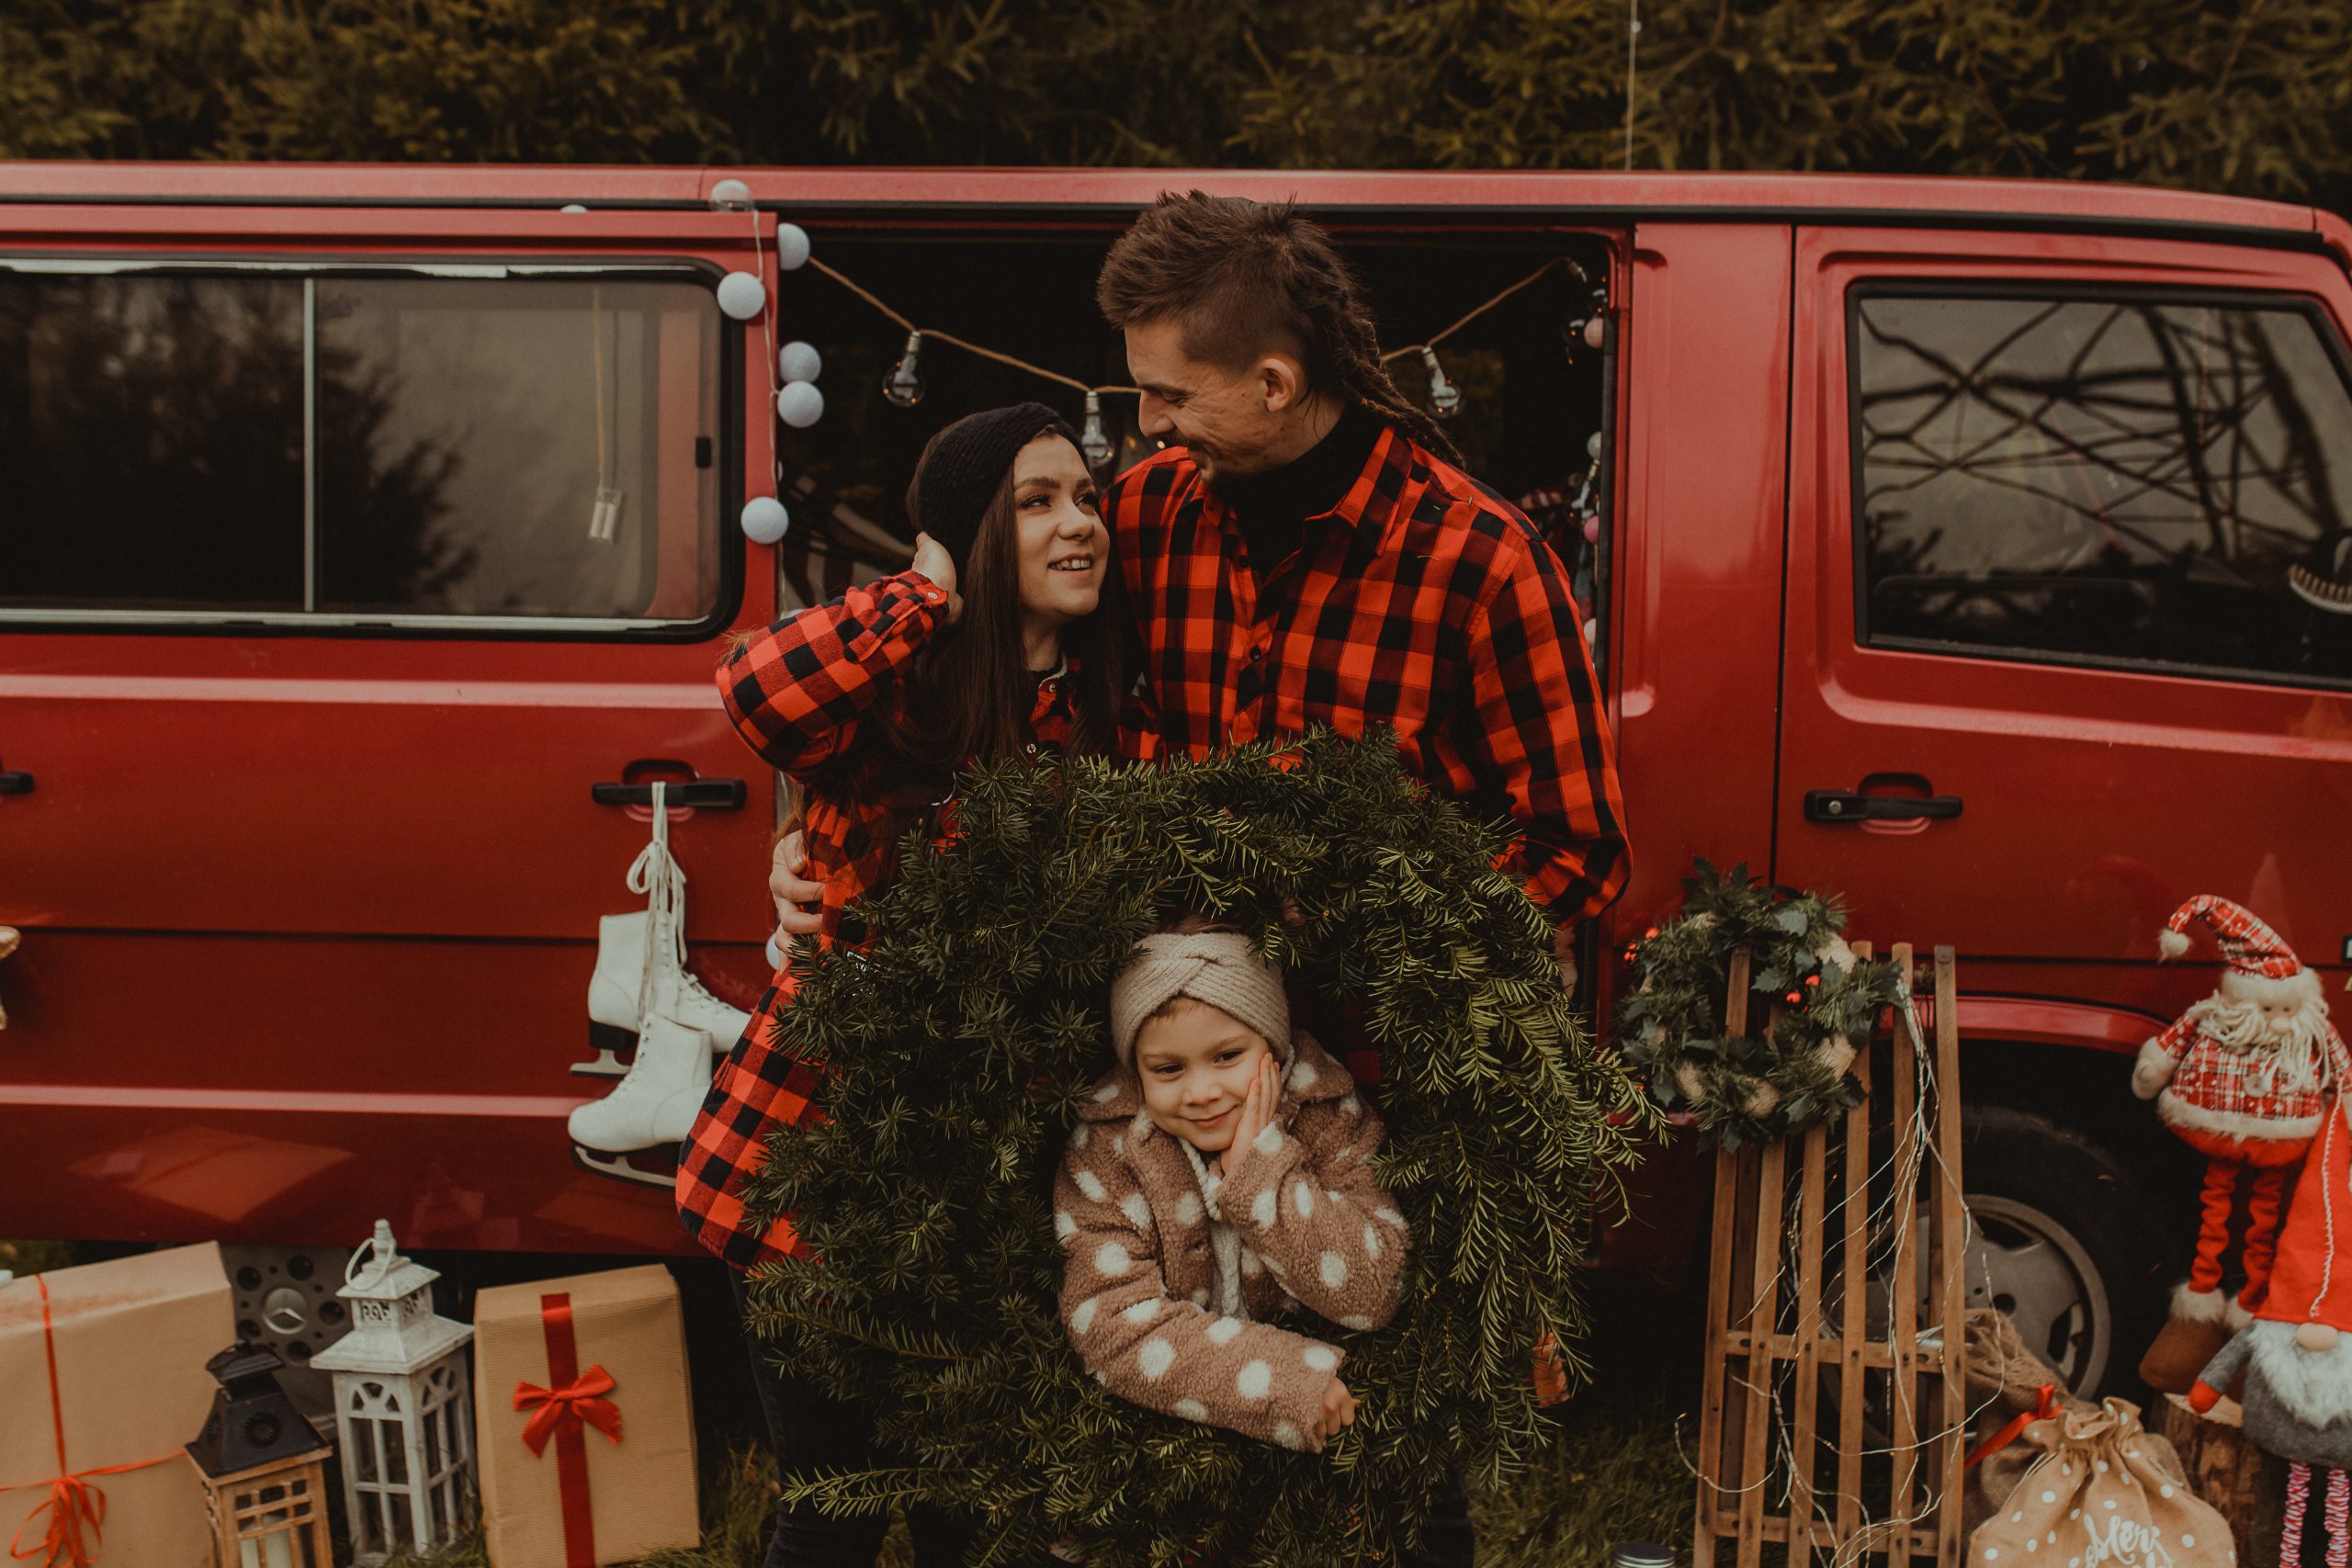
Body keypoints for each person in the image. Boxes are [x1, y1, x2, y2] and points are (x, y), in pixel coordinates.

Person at [770, 192, 1632, 1562]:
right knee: (1159, 1444)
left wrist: (1369, 956)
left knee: (1381, 1473)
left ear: (1276, 382)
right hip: (1143, 1078)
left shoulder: (1476, 562)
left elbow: (1579, 845)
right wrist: (828, 841)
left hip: (1357, 1101)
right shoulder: (1155, 517)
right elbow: (1007, 704)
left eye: (1170, 393)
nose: (1148, 426)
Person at [675, 403, 1128, 1568]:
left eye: (1085, 497)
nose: (1079, 524)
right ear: (972, 533)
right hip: (806, 1175)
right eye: (1035, 503)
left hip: (969, 1194)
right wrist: (925, 585)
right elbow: (755, 690)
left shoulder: (1095, 715)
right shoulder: (893, 692)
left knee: (967, 1514)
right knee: (833, 1506)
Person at [1054, 927, 1405, 1453]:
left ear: (1273, 1044)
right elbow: (1110, 1325)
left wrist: (1259, 1172)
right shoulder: (1108, 1144)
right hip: (1163, 1445)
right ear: (1135, 1068)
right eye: (1168, 1069)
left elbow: (1376, 1292)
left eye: (1227, 1057)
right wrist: (1287, 1382)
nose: (1201, 1092)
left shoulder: (1326, 1112)